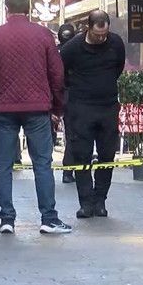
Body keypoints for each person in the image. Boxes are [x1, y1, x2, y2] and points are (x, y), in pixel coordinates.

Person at [0, 0, 71, 235]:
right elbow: (57, 75)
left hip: (3, 109)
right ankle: (48, 218)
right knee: (42, 163)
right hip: (38, 108)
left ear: (6, 8)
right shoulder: (43, 35)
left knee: (3, 165)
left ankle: (7, 218)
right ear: (29, 8)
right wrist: (57, 108)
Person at [60, 10, 125, 218]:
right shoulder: (72, 48)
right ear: (88, 28)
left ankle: (100, 200)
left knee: (107, 155)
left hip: (108, 107)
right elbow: (61, 73)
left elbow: (118, 68)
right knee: (82, 155)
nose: (101, 38)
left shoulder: (116, 43)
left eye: (104, 34)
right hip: (81, 108)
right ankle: (86, 203)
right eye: (97, 35)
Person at [57, 23, 78, 185]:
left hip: (55, 96)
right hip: (73, 96)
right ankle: (69, 171)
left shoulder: (54, 52)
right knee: (74, 136)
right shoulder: (77, 51)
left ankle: (67, 171)